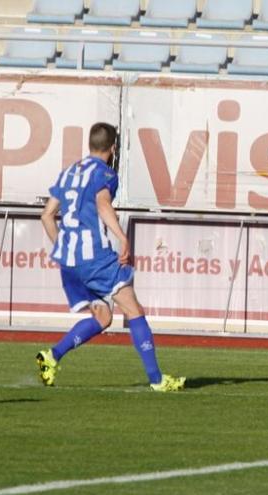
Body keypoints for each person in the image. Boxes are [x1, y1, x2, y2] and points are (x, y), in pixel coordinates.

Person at [36, 122, 185, 392]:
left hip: (69, 262)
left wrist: (66, 248)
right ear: (113, 148)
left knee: (103, 318)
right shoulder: (105, 173)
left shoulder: (68, 172)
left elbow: (46, 215)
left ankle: (52, 356)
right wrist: (123, 237)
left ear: (90, 145)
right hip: (95, 258)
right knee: (134, 311)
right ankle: (157, 380)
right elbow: (104, 204)